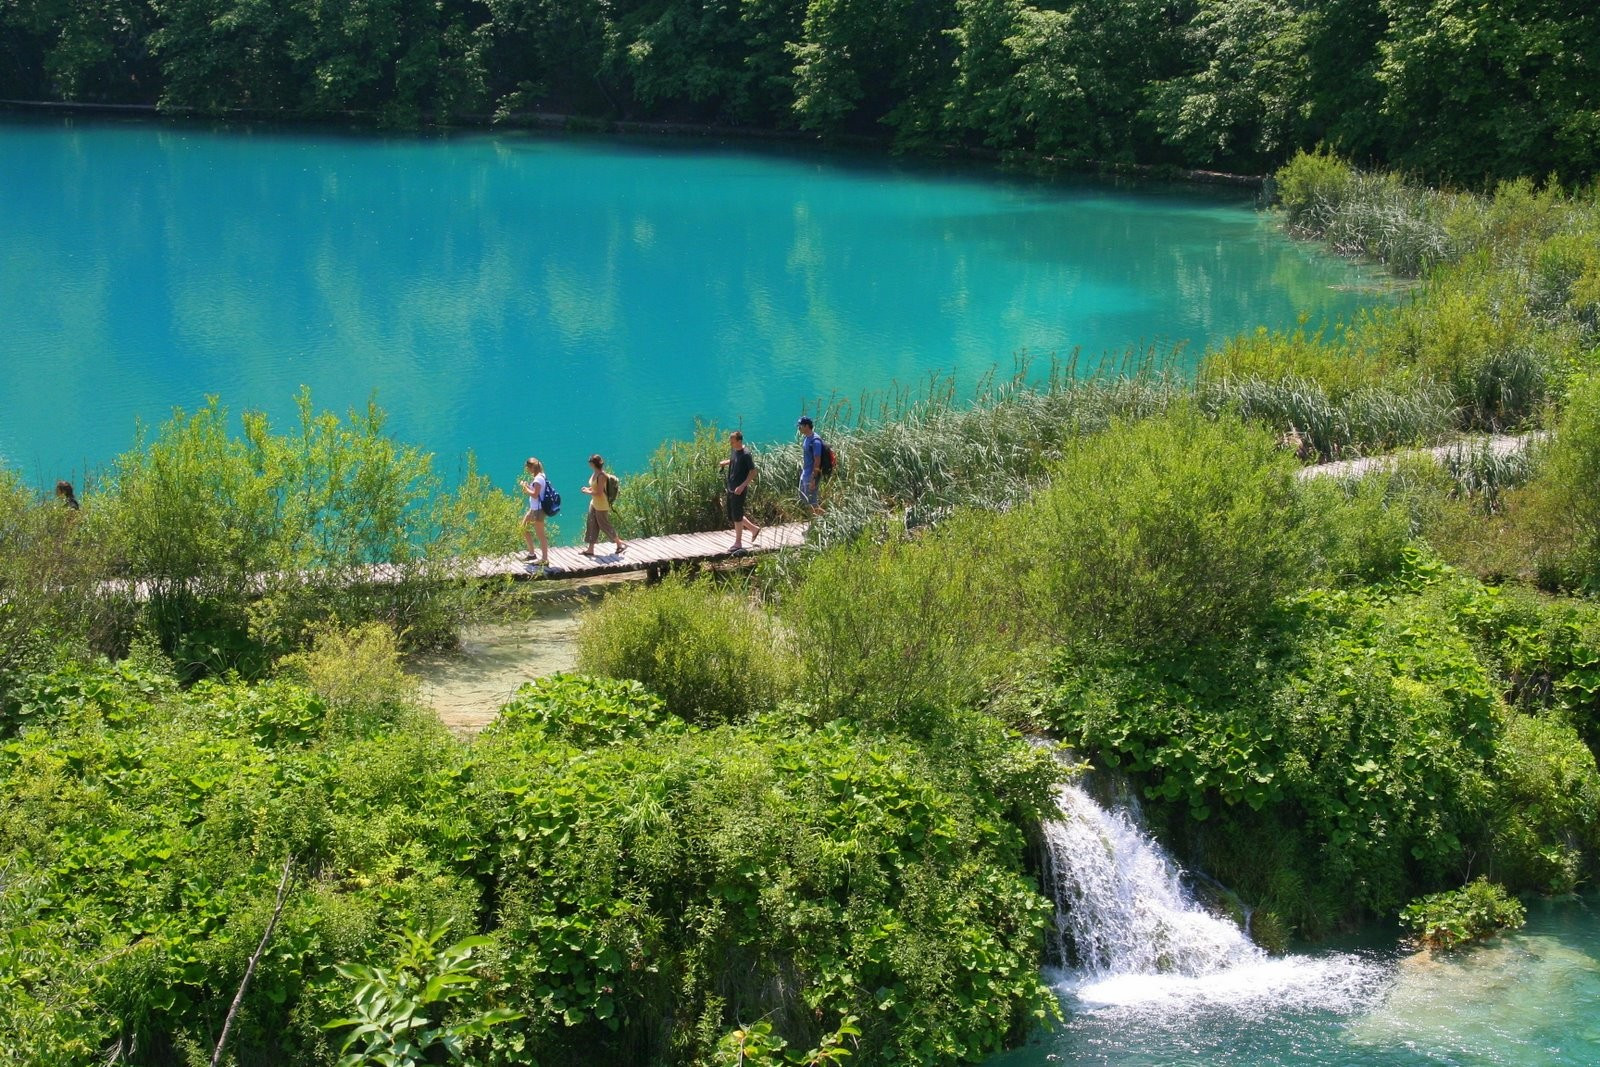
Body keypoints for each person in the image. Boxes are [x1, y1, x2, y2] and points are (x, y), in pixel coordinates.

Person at [718, 430, 761, 550]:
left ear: (739, 441)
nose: (731, 444)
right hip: (731, 487)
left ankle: (738, 543)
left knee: (737, 515)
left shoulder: (746, 454)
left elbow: (753, 472)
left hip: (739, 489)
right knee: (734, 515)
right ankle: (754, 529)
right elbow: (734, 460)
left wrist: (743, 486)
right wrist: (725, 463)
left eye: (732, 442)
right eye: (730, 442)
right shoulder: (735, 450)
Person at [579, 454, 626, 557]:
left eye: (590, 462)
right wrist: (588, 489)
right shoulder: (595, 473)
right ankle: (590, 550)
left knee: (604, 525)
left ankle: (619, 544)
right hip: (594, 503)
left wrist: (587, 492)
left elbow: (600, 492)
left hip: (601, 505)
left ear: (593, 463)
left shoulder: (602, 476)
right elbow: (594, 488)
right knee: (592, 525)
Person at [519, 457, 551, 566]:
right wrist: (528, 486)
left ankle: (545, 559)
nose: (527, 470)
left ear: (531, 467)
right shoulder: (540, 476)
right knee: (523, 528)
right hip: (534, 508)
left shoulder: (538, 478)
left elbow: (535, 494)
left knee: (540, 534)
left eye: (528, 468)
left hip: (538, 510)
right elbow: (536, 492)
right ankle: (532, 553)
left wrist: (525, 488)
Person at [797, 416, 823, 515]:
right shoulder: (806, 438)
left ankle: (824, 521)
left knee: (811, 502)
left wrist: (813, 478)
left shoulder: (815, 441)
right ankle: (818, 522)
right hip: (806, 473)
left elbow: (817, 460)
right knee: (804, 498)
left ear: (807, 426)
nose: (799, 428)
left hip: (811, 475)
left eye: (800, 426)